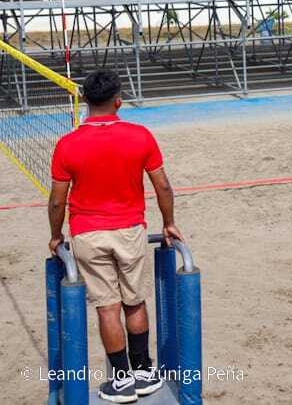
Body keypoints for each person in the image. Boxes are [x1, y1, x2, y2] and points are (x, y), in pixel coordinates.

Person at [48, 69, 184, 403]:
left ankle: (122, 380)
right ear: (119, 101)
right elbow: (163, 185)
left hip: (88, 234)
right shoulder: (140, 136)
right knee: (134, 300)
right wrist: (169, 223)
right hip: (129, 231)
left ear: (84, 100)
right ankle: (142, 371)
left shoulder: (67, 144)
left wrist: (55, 236)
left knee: (107, 308)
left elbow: (57, 200)